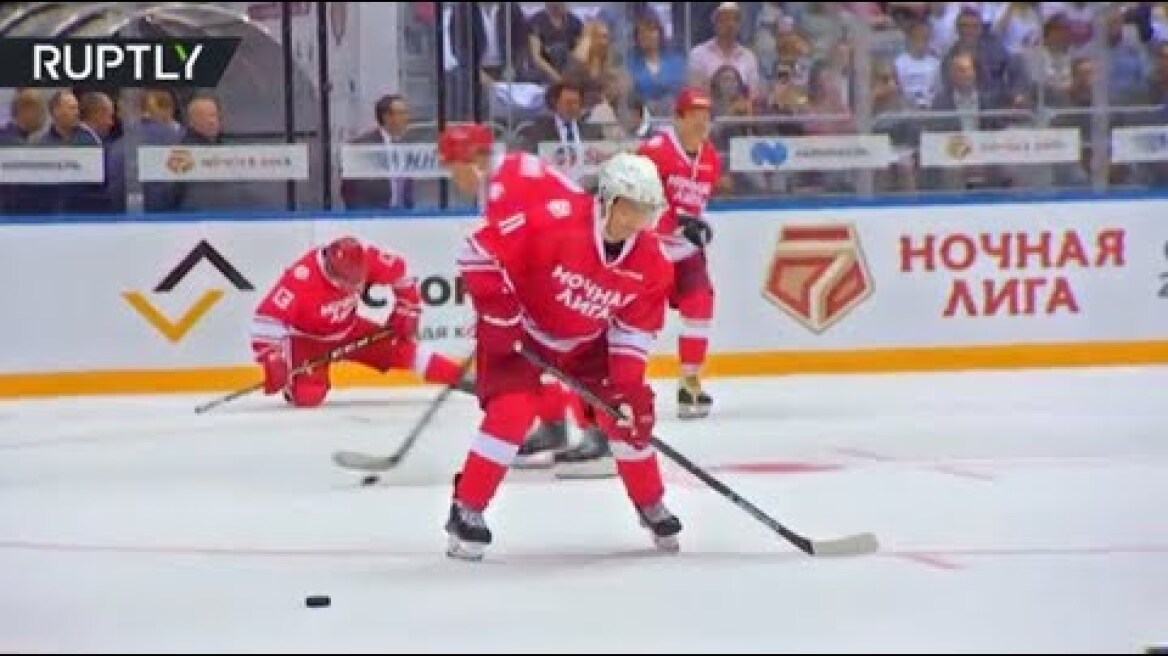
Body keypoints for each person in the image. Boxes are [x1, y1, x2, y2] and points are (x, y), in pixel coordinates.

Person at [440, 135, 679, 561]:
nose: (638, 219)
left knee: (625, 416)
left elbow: (632, 331)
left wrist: (628, 389)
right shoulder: (556, 221)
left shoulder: (652, 262)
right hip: (524, 335)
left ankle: (650, 503)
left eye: (647, 210)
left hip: (586, 343)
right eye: (631, 207)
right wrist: (498, 313)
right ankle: (467, 509)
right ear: (608, 200)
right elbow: (477, 250)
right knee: (511, 413)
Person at [436, 123, 600, 472]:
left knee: (571, 348)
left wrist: (495, 315)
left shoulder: (504, 189)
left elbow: (507, 256)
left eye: (453, 167)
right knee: (536, 347)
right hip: (565, 259)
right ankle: (554, 426)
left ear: (472, 158)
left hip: (575, 263)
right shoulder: (505, 173)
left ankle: (600, 435)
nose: (454, 178)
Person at [250, 236, 473, 408]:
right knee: (308, 397)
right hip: (308, 341)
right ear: (328, 267)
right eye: (347, 282)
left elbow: (400, 272)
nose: (354, 287)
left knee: (403, 349)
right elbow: (266, 319)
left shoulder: (368, 257)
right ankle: (295, 383)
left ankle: (469, 380)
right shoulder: (301, 277)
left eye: (358, 281)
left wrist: (408, 307)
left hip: (350, 330)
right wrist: (272, 357)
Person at [637, 86, 721, 420]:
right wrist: (674, 223)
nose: (702, 122)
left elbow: (696, 203)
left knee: (700, 305)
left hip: (685, 252)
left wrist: (696, 227)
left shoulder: (711, 157)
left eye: (706, 116)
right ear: (678, 118)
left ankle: (690, 382)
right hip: (648, 251)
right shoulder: (654, 152)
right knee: (637, 320)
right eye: (694, 115)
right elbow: (636, 200)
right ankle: (621, 384)